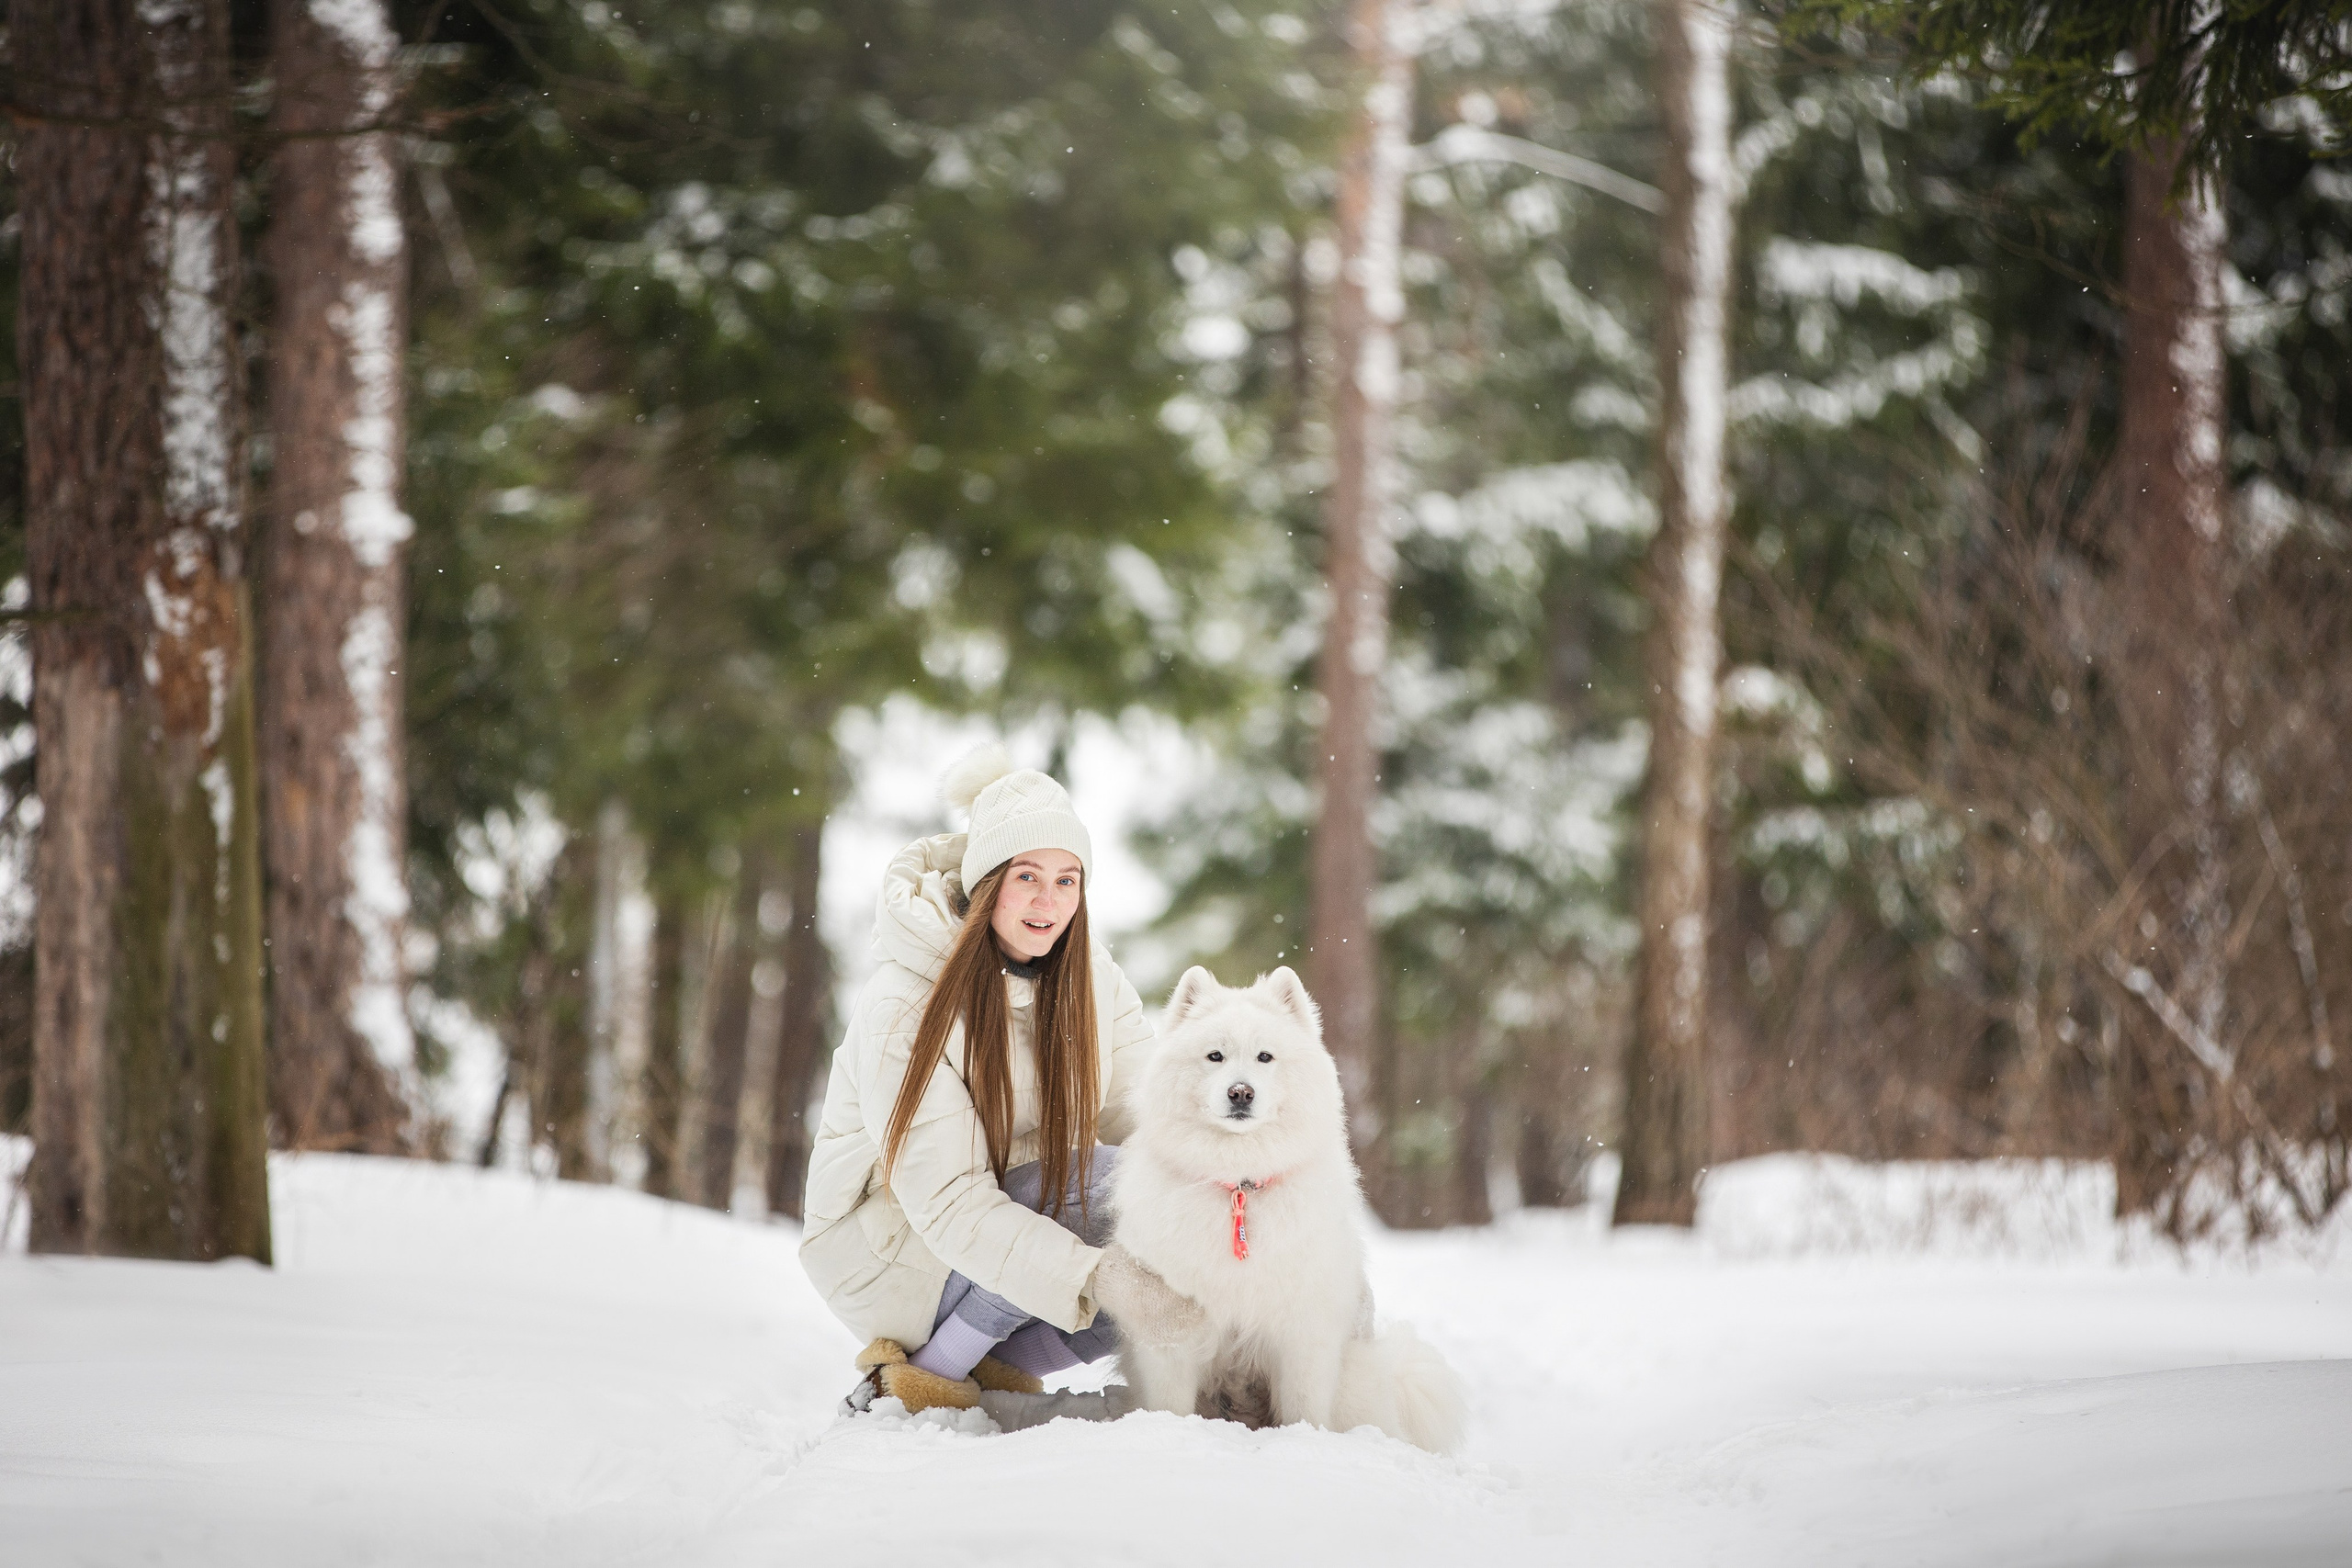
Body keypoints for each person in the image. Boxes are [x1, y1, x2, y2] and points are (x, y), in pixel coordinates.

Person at [801, 745, 1206, 1414]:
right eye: (1027, 876)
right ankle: (928, 1373)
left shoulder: (1089, 977)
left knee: (1175, 1224)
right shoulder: (904, 1002)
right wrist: (1097, 1271)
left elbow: (1150, 1116)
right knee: (1108, 1192)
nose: (1049, 900)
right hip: (895, 1252)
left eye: (1067, 879)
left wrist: (1234, 1184)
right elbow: (950, 1201)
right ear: (987, 881)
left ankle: (988, 1368)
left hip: (1005, 1229)